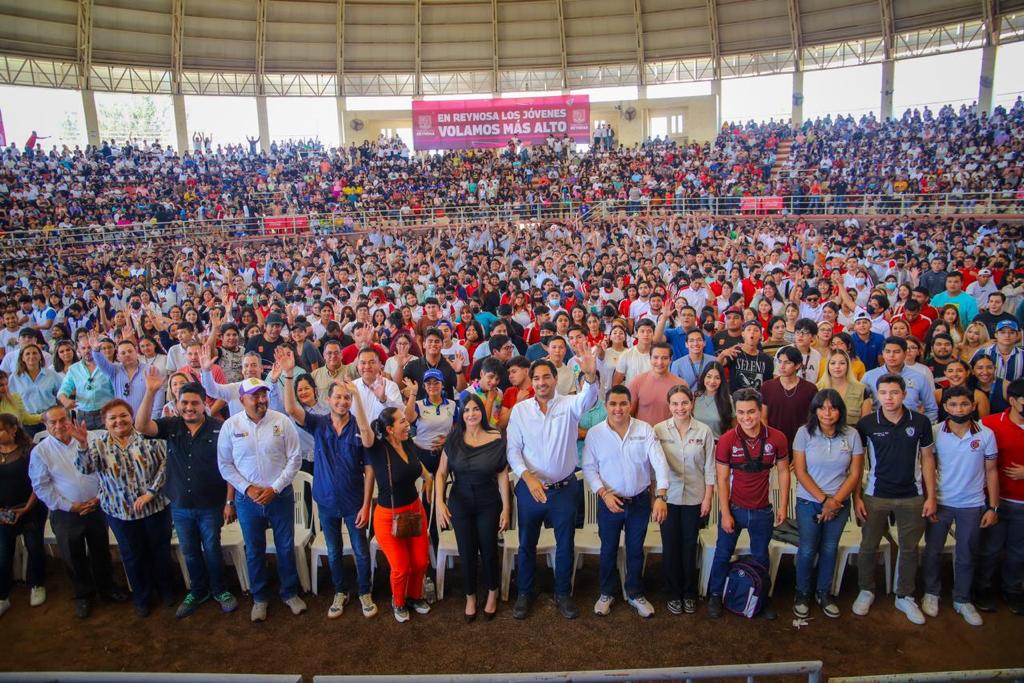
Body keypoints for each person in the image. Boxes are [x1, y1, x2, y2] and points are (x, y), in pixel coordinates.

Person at [135, 368, 239, 618]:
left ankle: (219, 589)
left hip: (211, 503)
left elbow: (229, 467)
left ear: (205, 404)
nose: (189, 407)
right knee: (189, 550)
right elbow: (141, 425)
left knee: (212, 548)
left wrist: (229, 501)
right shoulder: (171, 425)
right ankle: (198, 590)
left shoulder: (219, 428)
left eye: (195, 403)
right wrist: (150, 392)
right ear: (177, 404)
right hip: (180, 503)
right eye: (184, 403)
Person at [280, 355, 377, 620]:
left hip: (355, 502)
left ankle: (365, 593)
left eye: (347, 398)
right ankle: (340, 592)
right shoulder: (319, 423)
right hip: (326, 502)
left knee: (360, 550)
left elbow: (369, 460)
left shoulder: (360, 426)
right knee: (333, 551)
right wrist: (289, 376)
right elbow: (291, 409)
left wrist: (367, 505)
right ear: (328, 400)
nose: (343, 401)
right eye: (339, 397)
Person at [506, 347, 600, 620]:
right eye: (536, 378)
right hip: (530, 488)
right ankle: (525, 593)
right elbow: (513, 450)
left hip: (564, 489)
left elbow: (589, 396)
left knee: (565, 543)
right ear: (531, 380)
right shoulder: (521, 411)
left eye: (546, 377)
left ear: (555, 379)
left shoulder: (570, 405)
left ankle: (563, 594)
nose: (542, 382)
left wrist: (591, 375)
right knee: (527, 544)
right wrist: (527, 476)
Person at [71, 399, 175, 618]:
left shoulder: (149, 438)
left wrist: (151, 493)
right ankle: (142, 598)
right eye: (113, 418)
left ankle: (167, 591)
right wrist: (81, 446)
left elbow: (166, 465)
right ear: (105, 422)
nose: (119, 421)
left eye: (123, 415)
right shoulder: (98, 444)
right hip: (120, 512)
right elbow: (86, 468)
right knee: (132, 556)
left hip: (155, 508)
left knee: (160, 551)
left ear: (132, 416)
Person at [217, 377, 306, 622]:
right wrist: (247, 489)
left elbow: (295, 458)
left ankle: (289, 593)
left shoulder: (282, 421)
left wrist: (275, 488)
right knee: (254, 550)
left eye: (264, 395)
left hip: (280, 497)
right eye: (255, 396)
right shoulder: (230, 426)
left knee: (285, 547)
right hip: (248, 501)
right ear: (242, 399)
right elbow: (225, 465)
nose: (261, 400)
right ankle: (259, 598)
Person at [852, 373, 937, 625]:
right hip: (876, 495)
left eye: (894, 393)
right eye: (884, 393)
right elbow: (857, 464)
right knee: (868, 545)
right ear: (877, 395)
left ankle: (904, 595)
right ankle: (866, 589)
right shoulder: (867, 423)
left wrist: (930, 497)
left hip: (912, 496)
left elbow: (928, 460)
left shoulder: (920, 422)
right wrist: (857, 497)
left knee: (909, 548)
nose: (889, 398)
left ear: (904, 394)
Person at [29, 405, 128, 618]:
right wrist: (70, 506)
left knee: (100, 549)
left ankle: (107, 588)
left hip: (97, 505)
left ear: (70, 419)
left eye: (62, 420)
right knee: (73, 554)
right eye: (52, 423)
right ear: (45, 426)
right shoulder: (41, 451)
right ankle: (83, 595)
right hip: (66, 512)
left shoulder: (91, 438)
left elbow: (108, 471)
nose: (59, 426)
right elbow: (41, 486)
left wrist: (98, 498)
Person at [583, 384, 669, 618]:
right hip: (609, 501)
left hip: (639, 501)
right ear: (605, 406)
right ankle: (606, 593)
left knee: (635, 550)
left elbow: (659, 463)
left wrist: (660, 495)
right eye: (613, 404)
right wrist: (603, 493)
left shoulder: (645, 430)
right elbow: (590, 469)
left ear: (630, 405)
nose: (618, 409)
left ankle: (635, 593)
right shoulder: (595, 434)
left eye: (623, 403)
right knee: (608, 549)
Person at [707, 388, 790, 620]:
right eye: (741, 412)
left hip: (763, 510)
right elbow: (722, 478)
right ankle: (714, 595)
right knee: (723, 554)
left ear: (760, 410)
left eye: (751, 412)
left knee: (761, 556)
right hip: (734, 508)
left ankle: (762, 598)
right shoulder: (726, 440)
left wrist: (783, 506)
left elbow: (784, 472)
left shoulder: (777, 437)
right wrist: (724, 513)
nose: (746, 418)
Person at [921, 386, 999, 626]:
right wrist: (930, 498)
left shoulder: (985, 434)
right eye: (953, 405)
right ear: (945, 407)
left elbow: (992, 471)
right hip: (941, 502)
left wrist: (992, 507)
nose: (958, 409)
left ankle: (962, 599)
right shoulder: (935, 432)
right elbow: (927, 468)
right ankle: (931, 593)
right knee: (933, 551)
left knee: (966, 553)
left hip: (972, 504)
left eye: (964, 404)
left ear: (973, 406)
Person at [350, 395, 433, 623]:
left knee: (420, 562)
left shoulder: (406, 441)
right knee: (402, 567)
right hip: (388, 517)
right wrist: (357, 396)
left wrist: (427, 475)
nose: (408, 424)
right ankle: (398, 602)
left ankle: (415, 596)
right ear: (389, 428)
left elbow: (415, 463)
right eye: (402, 422)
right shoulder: (376, 448)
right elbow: (364, 427)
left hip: (415, 510)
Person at [434, 394, 510, 622]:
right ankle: (470, 596)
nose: (471, 414)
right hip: (461, 501)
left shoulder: (495, 438)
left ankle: (492, 593)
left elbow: (502, 475)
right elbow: (440, 473)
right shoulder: (454, 439)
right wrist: (439, 502)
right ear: (461, 414)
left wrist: (506, 508)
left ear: (482, 412)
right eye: (466, 410)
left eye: (475, 409)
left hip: (488, 501)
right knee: (466, 551)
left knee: (488, 549)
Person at [791, 389, 864, 619]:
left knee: (830, 549)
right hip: (809, 502)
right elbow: (800, 472)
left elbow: (855, 473)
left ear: (840, 410)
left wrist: (836, 502)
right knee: (807, 549)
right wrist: (825, 501)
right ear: (815, 410)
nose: (827, 412)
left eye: (832, 408)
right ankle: (802, 593)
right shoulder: (804, 433)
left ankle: (823, 593)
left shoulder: (851, 434)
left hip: (839, 504)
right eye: (822, 407)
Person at [654, 385, 715, 615]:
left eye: (684, 403)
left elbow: (710, 468)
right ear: (669, 406)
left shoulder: (704, 431)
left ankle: (689, 592)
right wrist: (656, 498)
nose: (680, 408)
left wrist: (708, 498)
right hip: (668, 498)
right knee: (670, 547)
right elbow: (653, 468)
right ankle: (672, 593)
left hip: (695, 498)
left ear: (692, 403)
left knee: (690, 546)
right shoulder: (659, 430)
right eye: (675, 404)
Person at [975, 378, 1024, 615]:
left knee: (1019, 551)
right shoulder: (990, 423)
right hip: (995, 500)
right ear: (1013, 401)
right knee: (990, 548)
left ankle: (1012, 590)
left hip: (1023, 503)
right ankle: (983, 588)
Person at [0, 413, 46, 618]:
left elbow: (38, 483)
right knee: (3, 554)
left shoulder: (30, 451)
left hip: (31, 508)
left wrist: (26, 508)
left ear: (13, 429)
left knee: (34, 547)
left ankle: (37, 584)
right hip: (3, 512)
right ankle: (3, 595)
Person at [862, 337, 939, 421]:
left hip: (911, 427)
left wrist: (920, 427)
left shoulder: (919, 377)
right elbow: (860, 404)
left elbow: (931, 409)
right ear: (883, 353)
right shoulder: (869, 376)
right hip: (879, 427)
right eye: (888, 351)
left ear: (905, 354)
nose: (891, 355)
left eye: (896, 352)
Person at [760, 346, 818, 448]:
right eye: (779, 361)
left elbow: (812, 421)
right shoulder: (767, 386)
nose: (782, 366)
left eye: (787, 362)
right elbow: (763, 418)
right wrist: (768, 441)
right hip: (773, 442)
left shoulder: (810, 389)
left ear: (797, 365)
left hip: (801, 443)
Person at [57, 334, 115, 429]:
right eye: (83, 348)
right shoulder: (73, 369)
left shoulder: (108, 367)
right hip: (83, 416)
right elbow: (64, 388)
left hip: (107, 413)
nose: (87, 351)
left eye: (90, 348)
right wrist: (64, 399)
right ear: (78, 350)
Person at [629, 343, 685, 426]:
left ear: (671, 359)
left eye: (664, 358)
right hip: (643, 436)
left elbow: (684, 415)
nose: (660, 362)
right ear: (650, 358)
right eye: (655, 357)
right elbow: (629, 414)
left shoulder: (680, 384)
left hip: (670, 435)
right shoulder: (637, 382)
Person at [817, 349, 873, 425]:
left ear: (848, 366)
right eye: (833, 363)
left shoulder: (862, 390)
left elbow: (865, 424)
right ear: (827, 366)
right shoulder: (817, 389)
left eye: (842, 363)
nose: (837, 366)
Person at [719, 320, 773, 391]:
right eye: (749, 329)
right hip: (735, 399)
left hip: (757, 399)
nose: (752, 332)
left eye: (756, 330)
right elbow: (716, 366)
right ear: (743, 334)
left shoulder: (767, 359)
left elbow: (768, 385)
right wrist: (722, 355)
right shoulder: (735, 352)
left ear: (760, 336)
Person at [693, 362, 733, 439]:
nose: (712, 381)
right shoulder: (694, 397)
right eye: (709, 376)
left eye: (717, 378)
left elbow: (734, 428)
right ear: (703, 377)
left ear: (722, 380)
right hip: (695, 445)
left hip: (718, 445)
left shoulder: (728, 399)